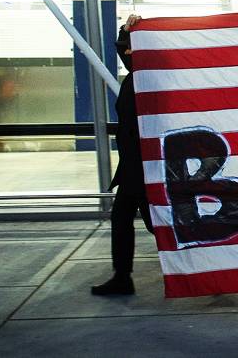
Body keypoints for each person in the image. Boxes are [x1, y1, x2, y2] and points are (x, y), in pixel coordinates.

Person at [92, 15, 154, 296]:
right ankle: (122, 276)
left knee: (157, 224)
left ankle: (206, 268)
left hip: (144, 165)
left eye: (132, 47)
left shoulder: (149, 80)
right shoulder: (136, 76)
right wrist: (125, 30)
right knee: (123, 217)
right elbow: (124, 51)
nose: (127, 52)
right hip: (134, 165)